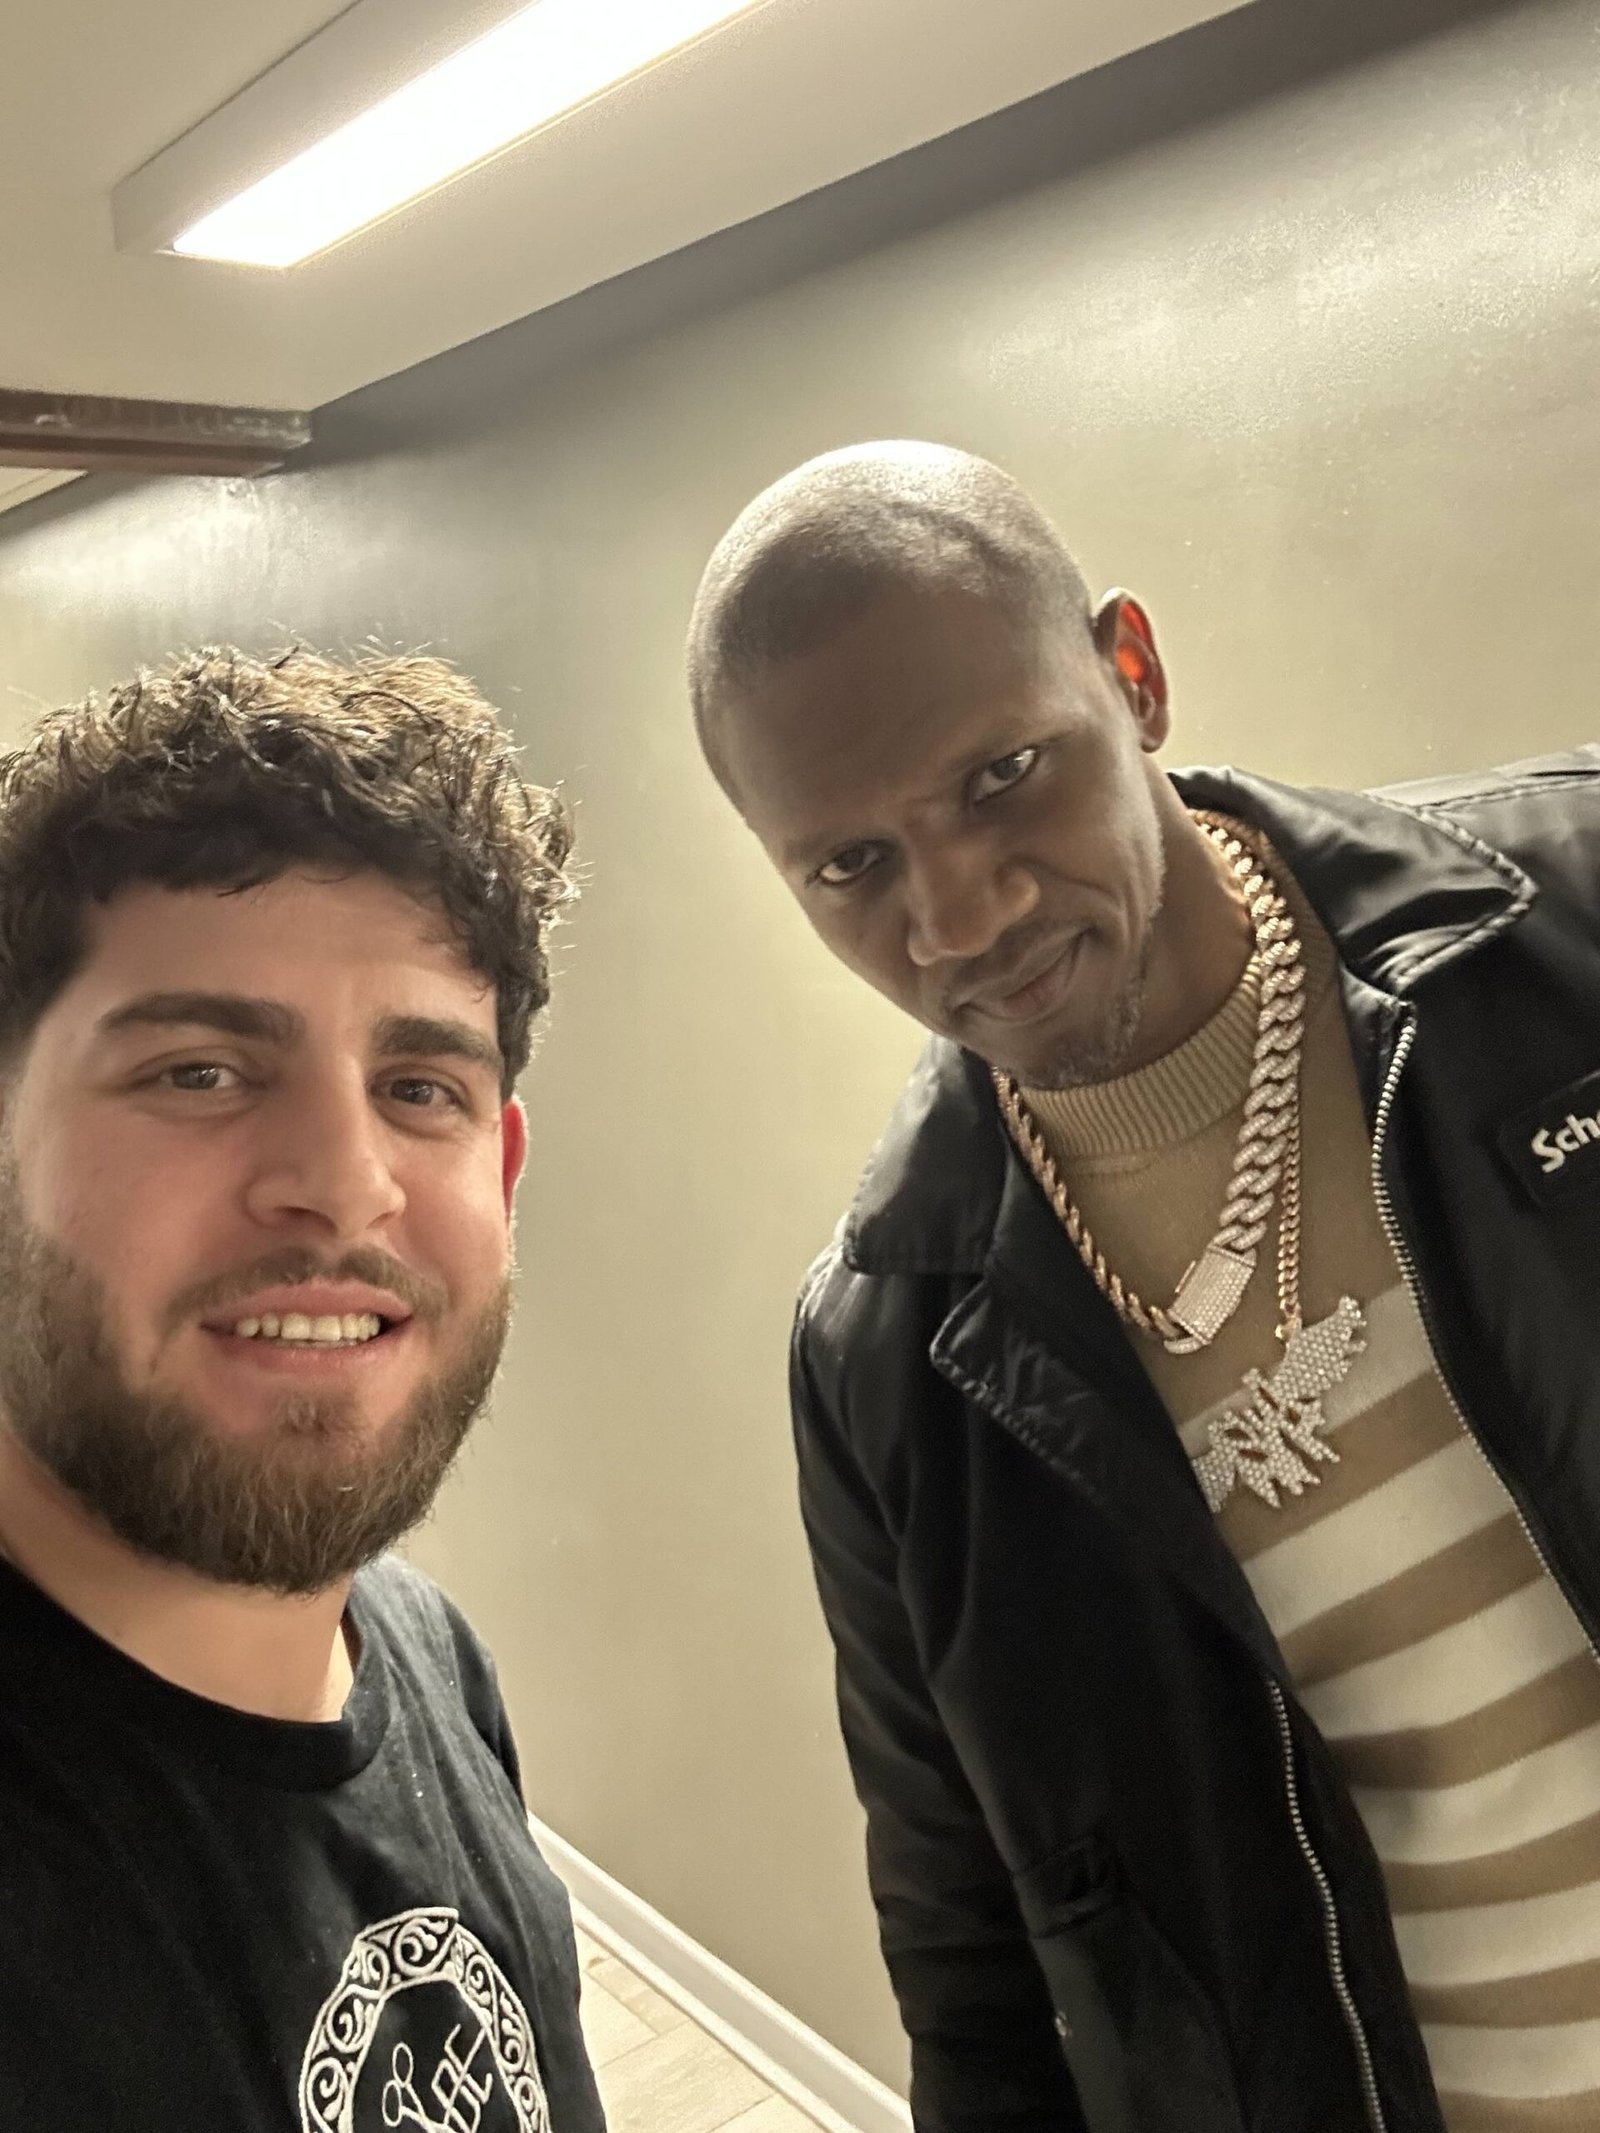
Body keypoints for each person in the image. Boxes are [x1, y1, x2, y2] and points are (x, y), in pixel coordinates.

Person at [686, 441, 1600, 2133]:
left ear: (1134, 673)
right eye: (852, 866)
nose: (960, 915)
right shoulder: (886, 1352)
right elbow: (967, 1957)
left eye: (1000, 775)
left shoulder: (1565, 923)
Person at [0, 648, 605, 2132]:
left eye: (420, 1089)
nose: (343, 1181)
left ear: (504, 1172)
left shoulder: (428, 1654)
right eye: (199, 1072)